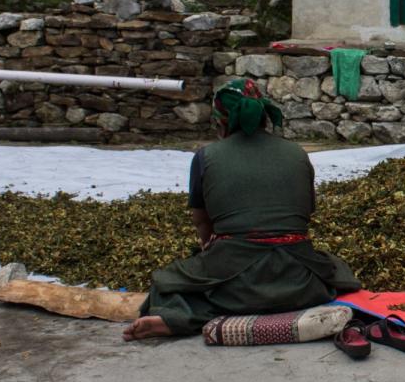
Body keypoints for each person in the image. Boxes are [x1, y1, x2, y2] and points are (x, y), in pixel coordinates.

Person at [123, 78, 360, 341]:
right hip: (301, 280)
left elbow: (203, 224)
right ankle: (285, 302)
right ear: (263, 116)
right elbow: (306, 212)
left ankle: (181, 317)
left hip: (237, 280)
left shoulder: (206, 157)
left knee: (169, 281)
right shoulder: (296, 153)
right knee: (334, 268)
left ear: (221, 121)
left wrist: (211, 254)